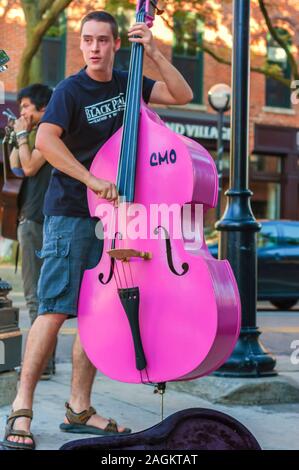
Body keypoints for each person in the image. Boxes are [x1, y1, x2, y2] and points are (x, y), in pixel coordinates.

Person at [2, 10, 193, 450]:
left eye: (102, 40)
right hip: (71, 211)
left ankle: (79, 408)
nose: (93, 47)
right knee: (53, 309)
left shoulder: (129, 82)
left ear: (115, 44)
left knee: (96, 311)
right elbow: (47, 142)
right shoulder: (71, 89)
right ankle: (21, 406)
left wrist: (156, 52)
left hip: (113, 216)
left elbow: (181, 94)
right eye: (87, 39)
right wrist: (91, 181)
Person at [9, 84, 56, 380]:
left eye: (26, 107)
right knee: (37, 296)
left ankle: (41, 365)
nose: (22, 112)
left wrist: (24, 135)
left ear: (41, 107)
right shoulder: (34, 134)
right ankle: (44, 363)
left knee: (36, 296)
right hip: (31, 218)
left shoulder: (48, 134)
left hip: (39, 221)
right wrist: (17, 135)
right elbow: (14, 165)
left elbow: (27, 167)